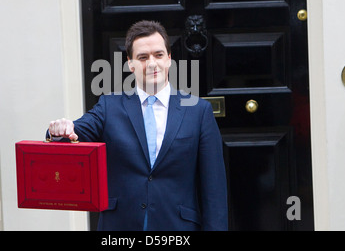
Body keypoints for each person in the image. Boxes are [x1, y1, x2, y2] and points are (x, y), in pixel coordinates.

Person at [48, 20, 228, 231]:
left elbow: (214, 190)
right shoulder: (109, 106)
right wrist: (60, 130)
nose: (152, 63)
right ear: (130, 64)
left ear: (169, 59)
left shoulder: (199, 111)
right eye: (143, 57)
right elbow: (73, 133)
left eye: (159, 55)